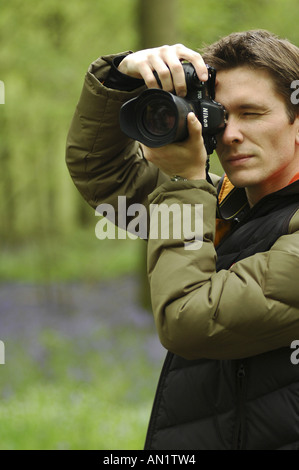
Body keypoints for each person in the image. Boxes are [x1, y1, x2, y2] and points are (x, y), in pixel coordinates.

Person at [66, 30, 299, 450]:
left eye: (252, 113)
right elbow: (105, 175)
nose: (229, 135)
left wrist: (187, 181)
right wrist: (121, 75)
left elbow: (189, 319)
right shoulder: (227, 206)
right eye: (221, 115)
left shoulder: (201, 198)